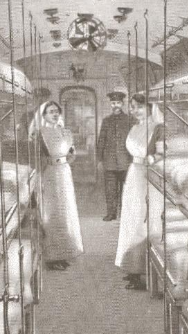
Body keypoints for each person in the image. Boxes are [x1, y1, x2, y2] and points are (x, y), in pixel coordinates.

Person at [114, 93, 165, 290]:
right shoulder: (135, 128)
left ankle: (148, 270)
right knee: (132, 220)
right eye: (133, 107)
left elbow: (161, 154)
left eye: (139, 107)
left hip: (148, 176)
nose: (134, 110)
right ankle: (133, 269)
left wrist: (150, 160)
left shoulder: (159, 129)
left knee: (146, 221)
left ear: (150, 107)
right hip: (134, 174)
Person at [32, 101, 84, 270]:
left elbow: (72, 154)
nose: (54, 114)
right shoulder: (40, 134)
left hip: (64, 174)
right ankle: (53, 257)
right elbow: (37, 157)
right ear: (44, 115)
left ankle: (64, 253)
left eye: (56, 112)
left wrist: (66, 161)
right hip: (49, 174)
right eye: (50, 112)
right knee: (52, 213)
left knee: (65, 213)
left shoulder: (66, 133)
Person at [96, 89, 134, 221]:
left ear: (122, 104)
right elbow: (101, 140)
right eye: (113, 103)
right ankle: (111, 213)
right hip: (110, 162)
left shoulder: (130, 120)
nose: (115, 105)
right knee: (110, 190)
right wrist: (99, 159)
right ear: (110, 105)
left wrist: (132, 159)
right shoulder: (106, 121)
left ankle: (125, 214)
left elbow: (134, 141)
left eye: (118, 102)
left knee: (126, 190)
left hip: (126, 161)